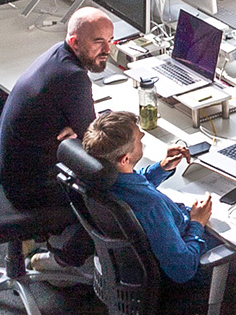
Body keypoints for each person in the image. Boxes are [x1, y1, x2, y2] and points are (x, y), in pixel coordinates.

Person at [0, 7, 112, 279]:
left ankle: (34, 241)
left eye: (110, 40)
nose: (107, 49)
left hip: (10, 171)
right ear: (75, 42)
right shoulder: (73, 77)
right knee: (109, 196)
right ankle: (61, 260)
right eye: (98, 42)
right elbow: (95, 143)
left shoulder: (56, 56)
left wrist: (80, 125)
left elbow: (83, 129)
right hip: (28, 188)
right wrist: (93, 127)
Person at [80, 110, 216, 285]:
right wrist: (198, 223)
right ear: (124, 159)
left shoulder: (100, 176)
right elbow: (182, 269)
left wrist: (161, 168)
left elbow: (134, 183)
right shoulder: (151, 205)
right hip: (187, 262)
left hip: (131, 264)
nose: (143, 134)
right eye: (138, 138)